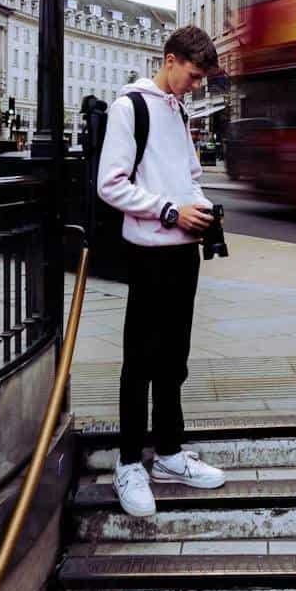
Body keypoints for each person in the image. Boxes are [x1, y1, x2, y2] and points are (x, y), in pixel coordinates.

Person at [97, 25, 226, 517]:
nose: (196, 85)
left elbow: (189, 176)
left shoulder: (177, 110)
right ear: (170, 60)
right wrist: (171, 212)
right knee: (142, 359)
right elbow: (110, 185)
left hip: (182, 253)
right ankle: (130, 463)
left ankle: (169, 454)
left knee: (175, 357)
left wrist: (201, 208)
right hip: (150, 251)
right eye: (193, 75)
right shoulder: (131, 107)